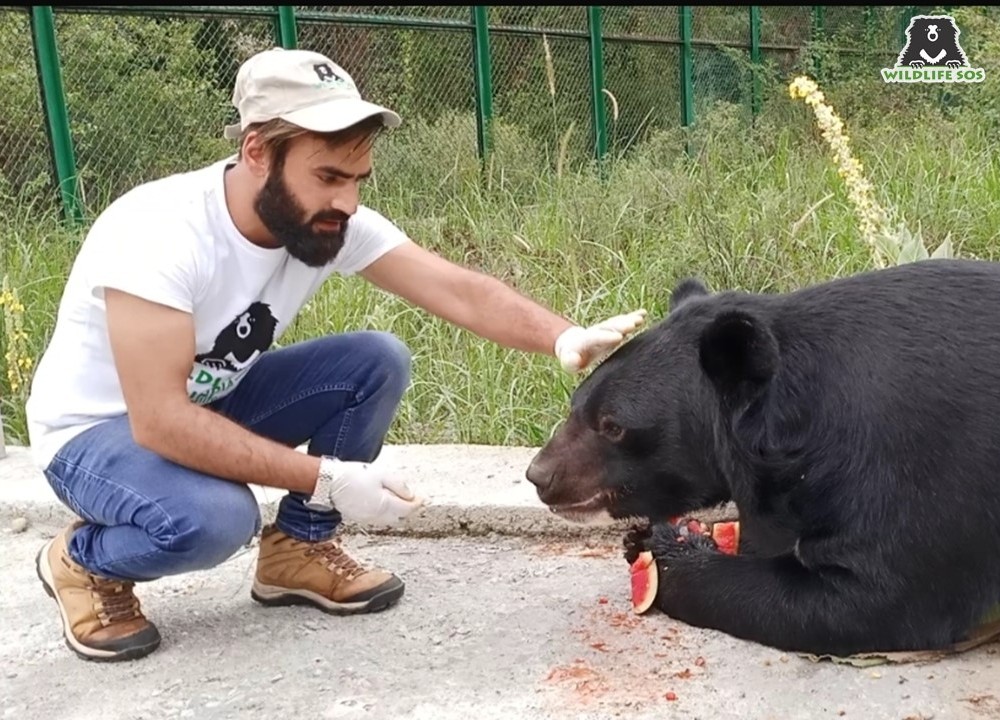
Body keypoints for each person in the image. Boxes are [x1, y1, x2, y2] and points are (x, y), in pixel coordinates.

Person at [24, 46, 647, 663]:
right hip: (97, 435)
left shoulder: (322, 220)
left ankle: (298, 549)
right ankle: (83, 562)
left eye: (356, 180)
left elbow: (459, 290)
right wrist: (329, 478)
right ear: (257, 152)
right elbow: (158, 420)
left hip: (205, 399)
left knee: (376, 360)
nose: (346, 203)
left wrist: (564, 336)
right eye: (328, 177)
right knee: (215, 521)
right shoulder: (160, 233)